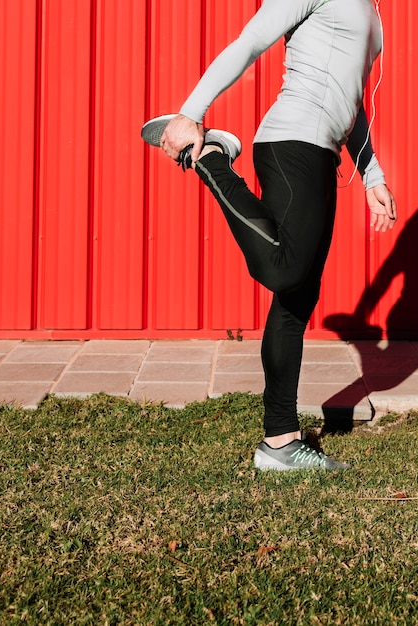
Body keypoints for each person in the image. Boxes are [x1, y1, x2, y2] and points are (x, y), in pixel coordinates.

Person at [142, 0, 397, 470]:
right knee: (283, 271)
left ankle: (279, 445)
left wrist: (372, 175)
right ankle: (211, 157)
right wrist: (191, 113)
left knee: (296, 302)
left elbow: (352, 101)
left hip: (324, 156)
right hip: (290, 141)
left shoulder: (373, 15)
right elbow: (251, 41)